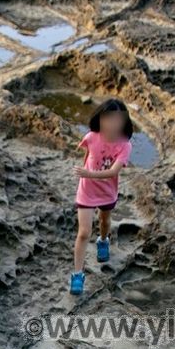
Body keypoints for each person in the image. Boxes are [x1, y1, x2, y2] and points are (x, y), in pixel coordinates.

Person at [69, 98, 133, 295]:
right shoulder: (91, 137)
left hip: (106, 192)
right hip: (87, 191)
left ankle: (103, 240)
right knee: (84, 232)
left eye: (117, 120)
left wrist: (89, 174)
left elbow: (113, 172)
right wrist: (84, 177)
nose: (112, 123)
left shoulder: (124, 145)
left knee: (104, 222)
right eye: (108, 118)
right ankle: (77, 275)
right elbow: (88, 156)